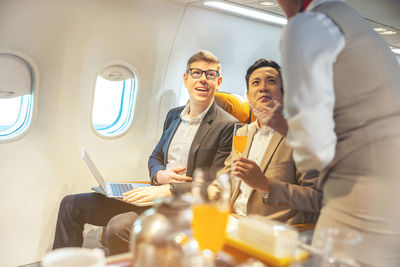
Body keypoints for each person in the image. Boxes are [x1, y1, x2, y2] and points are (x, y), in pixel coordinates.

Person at [52, 50, 237, 255]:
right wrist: (159, 174)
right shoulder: (174, 115)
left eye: (210, 75)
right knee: (71, 205)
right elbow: (155, 157)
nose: (203, 79)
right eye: (196, 73)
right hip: (153, 195)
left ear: (218, 82)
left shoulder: (227, 125)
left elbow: (216, 184)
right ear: (186, 79)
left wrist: (171, 188)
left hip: (183, 206)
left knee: (118, 227)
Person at [275, 0, 400, 266]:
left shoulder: (306, 25)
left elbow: (314, 152)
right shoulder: (352, 22)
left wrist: (286, 125)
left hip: (357, 204)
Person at [219, 59, 321, 223]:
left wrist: (266, 185)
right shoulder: (243, 131)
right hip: (232, 220)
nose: (262, 88)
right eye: (255, 83)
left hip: (271, 229)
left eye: (271, 81)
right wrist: (207, 193)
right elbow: (226, 174)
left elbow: (318, 199)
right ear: (248, 96)